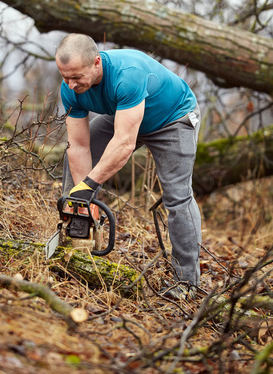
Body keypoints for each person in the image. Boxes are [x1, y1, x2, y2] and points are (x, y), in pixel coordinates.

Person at [55, 33, 201, 300]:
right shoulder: (70, 89)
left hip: (173, 119)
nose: (70, 84)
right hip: (125, 116)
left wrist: (90, 185)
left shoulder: (127, 73)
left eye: (77, 77)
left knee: (177, 196)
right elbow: (78, 146)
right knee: (73, 171)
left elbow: (124, 144)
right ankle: (78, 241)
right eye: (65, 77)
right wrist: (81, 193)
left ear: (96, 63)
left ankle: (187, 282)